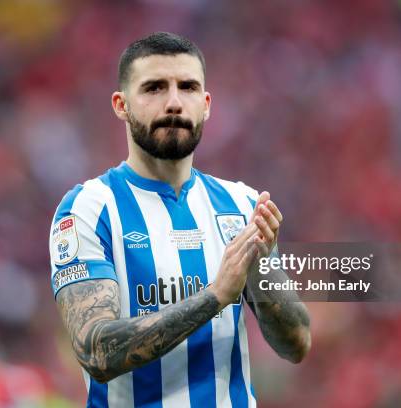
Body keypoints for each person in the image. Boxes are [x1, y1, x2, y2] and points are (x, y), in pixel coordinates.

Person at [49, 32, 311, 408]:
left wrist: (258, 271)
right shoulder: (88, 209)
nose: (174, 102)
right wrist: (216, 296)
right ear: (121, 105)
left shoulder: (242, 205)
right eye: (154, 88)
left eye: (187, 87)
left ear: (205, 104)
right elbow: (96, 352)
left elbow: (296, 344)